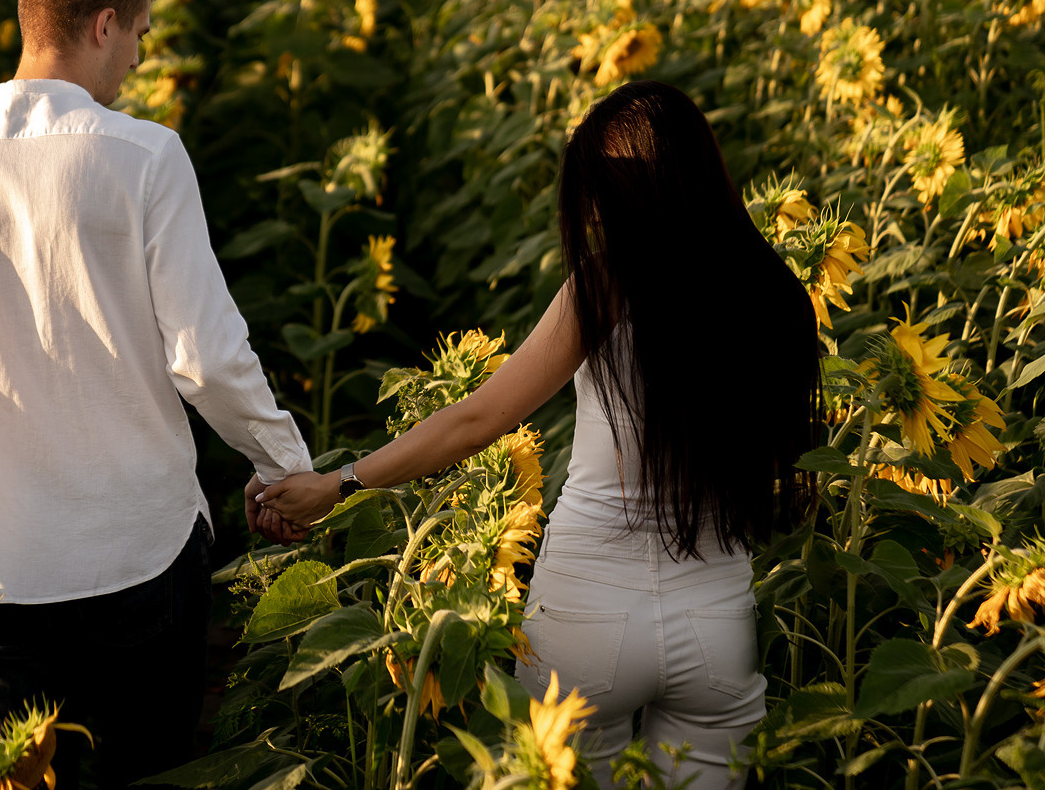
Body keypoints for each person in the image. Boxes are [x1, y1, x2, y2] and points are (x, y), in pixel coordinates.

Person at [258, 80, 821, 790]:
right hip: (714, 618)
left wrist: (339, 484)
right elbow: (778, 457)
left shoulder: (605, 286)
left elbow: (476, 418)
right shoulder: (774, 295)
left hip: (587, 610)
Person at [0, 0, 312, 789]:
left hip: (0, 574)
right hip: (138, 558)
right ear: (103, 24)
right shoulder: (143, 156)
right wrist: (284, 466)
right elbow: (208, 357)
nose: (141, 60)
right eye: (142, 34)